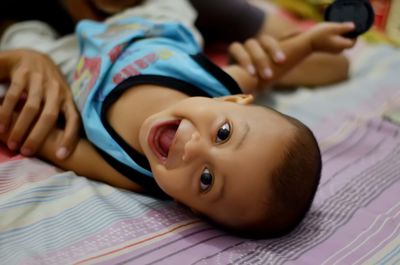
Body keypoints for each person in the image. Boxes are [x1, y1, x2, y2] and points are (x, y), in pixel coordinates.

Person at [0, 0, 356, 237]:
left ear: (187, 206)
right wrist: (307, 44)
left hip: (74, 61)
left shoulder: (128, 168)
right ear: (233, 100)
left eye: (205, 179)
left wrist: (15, 114)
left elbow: (57, 145)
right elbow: (265, 70)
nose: (194, 149)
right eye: (224, 133)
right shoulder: (215, 84)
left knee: (27, 39)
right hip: (150, 27)